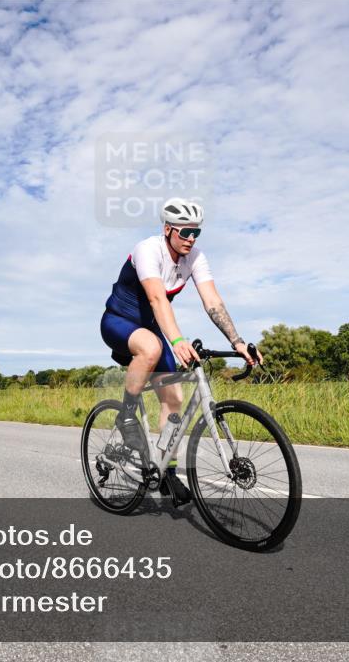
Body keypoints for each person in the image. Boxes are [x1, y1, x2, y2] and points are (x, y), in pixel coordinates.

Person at [100, 197, 262, 506]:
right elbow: (158, 301)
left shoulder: (195, 258)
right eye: (184, 232)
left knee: (173, 399)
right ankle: (125, 416)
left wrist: (237, 341)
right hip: (119, 321)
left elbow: (213, 302)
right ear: (167, 229)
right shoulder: (148, 249)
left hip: (153, 328)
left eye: (196, 233)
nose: (190, 239)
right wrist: (177, 341)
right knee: (152, 346)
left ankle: (167, 470)